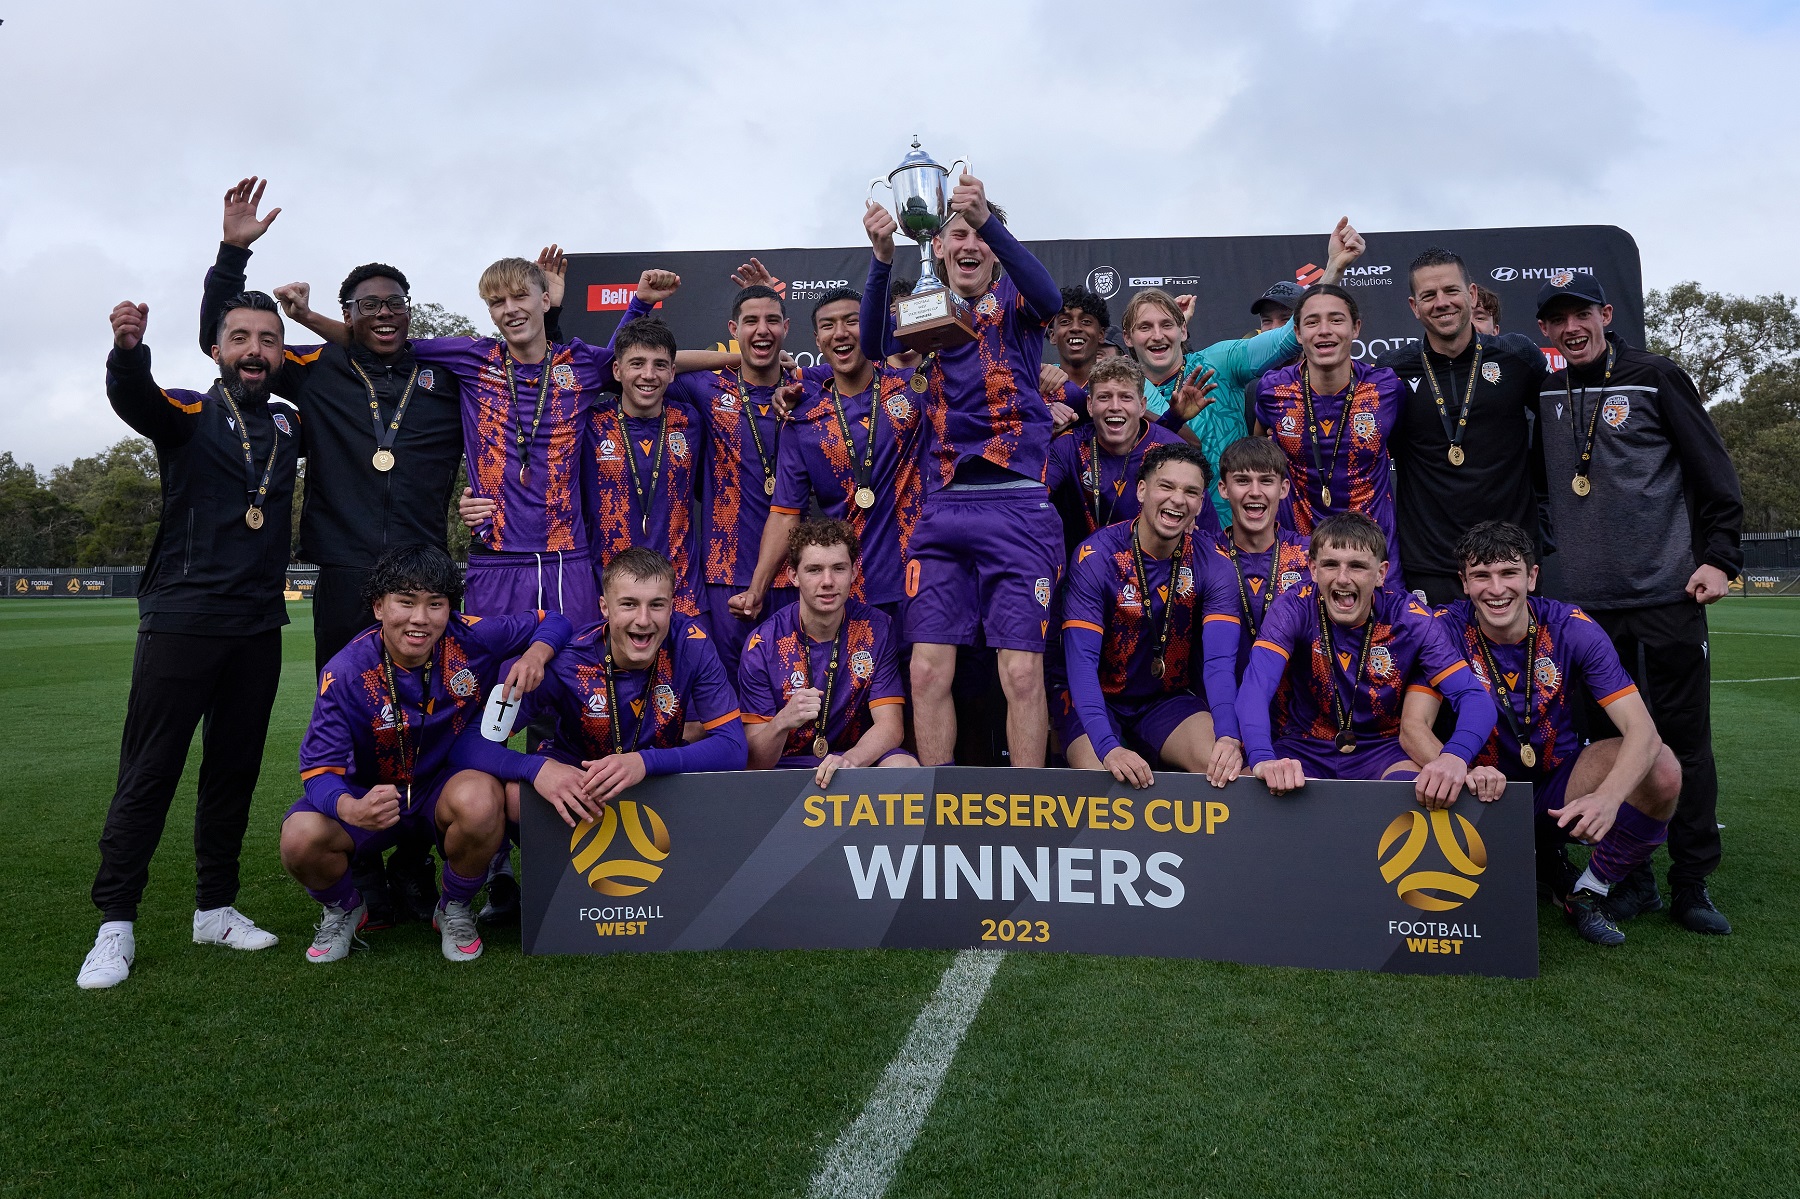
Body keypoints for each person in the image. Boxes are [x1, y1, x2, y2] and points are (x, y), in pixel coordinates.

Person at [204, 178, 482, 928]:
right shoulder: (314, 369)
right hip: (347, 576)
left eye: (396, 302)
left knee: (436, 715)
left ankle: (419, 861)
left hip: (427, 577)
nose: (385, 313)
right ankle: (361, 864)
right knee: (356, 717)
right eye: (368, 305)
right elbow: (229, 337)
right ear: (348, 315)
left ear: (410, 309)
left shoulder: (445, 376)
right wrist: (233, 255)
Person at [79, 291, 300, 990]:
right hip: (181, 621)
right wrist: (126, 351)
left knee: (232, 772)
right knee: (150, 771)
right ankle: (115, 923)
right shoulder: (188, 409)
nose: (255, 350)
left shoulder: (291, 426)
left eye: (268, 338)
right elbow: (134, 398)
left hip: (260, 625)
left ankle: (215, 906)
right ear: (216, 348)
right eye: (241, 337)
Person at [1534, 271, 1743, 934]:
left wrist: (1720, 556)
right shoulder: (1545, 387)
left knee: (1684, 742)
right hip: (1589, 607)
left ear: (1604, 313)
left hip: (1666, 593)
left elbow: (1714, 471)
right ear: (1545, 330)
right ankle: (1631, 876)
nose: (1572, 328)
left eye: (1580, 315)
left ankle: (1692, 881)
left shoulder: (1656, 375)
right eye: (1557, 319)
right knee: (1610, 744)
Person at [278, 256, 639, 626]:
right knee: (494, 678)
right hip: (493, 557)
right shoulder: (471, 356)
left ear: (545, 301)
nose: (509, 309)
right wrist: (307, 317)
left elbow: (634, 363)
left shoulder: (579, 362)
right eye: (497, 302)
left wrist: (642, 306)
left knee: (571, 670)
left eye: (520, 297)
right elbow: (381, 341)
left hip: (566, 556)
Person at [859, 172, 1065, 768]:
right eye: (957, 234)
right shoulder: (930, 305)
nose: (968, 244)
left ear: (993, 250)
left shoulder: (1016, 303)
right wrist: (880, 259)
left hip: (1017, 503)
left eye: (978, 234)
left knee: (1022, 673)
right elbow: (874, 344)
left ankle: (1030, 814)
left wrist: (991, 223)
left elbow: (1052, 300)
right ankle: (936, 804)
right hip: (944, 504)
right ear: (939, 248)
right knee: (924, 670)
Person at [280, 546, 571, 963]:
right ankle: (344, 908)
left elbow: (552, 621)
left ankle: (453, 907)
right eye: (406, 602)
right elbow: (317, 770)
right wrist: (350, 806)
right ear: (379, 606)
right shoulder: (345, 672)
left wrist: (534, 653)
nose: (420, 618)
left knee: (482, 799)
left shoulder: (471, 636)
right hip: (373, 799)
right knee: (299, 838)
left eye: (435, 604)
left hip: (442, 792)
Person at [1401, 521, 1681, 946]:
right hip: (1482, 793)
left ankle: (1590, 890)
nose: (1496, 589)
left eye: (1509, 573)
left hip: (1558, 787)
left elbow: (1643, 731)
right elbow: (1413, 727)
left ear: (1531, 576)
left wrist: (1607, 799)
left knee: (1662, 769)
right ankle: (1529, 865)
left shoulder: (1573, 626)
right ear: (1464, 583)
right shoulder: (1444, 628)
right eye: (1481, 576)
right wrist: (1458, 768)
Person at [460, 548, 748, 829]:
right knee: (514, 796)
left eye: (657, 605)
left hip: (656, 771)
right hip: (581, 779)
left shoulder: (691, 644)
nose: (644, 620)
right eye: (629, 604)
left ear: (672, 606)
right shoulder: (567, 662)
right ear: (604, 607)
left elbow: (733, 747)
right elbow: (473, 741)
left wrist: (644, 763)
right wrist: (537, 770)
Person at [1239, 513, 1496, 802]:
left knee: (1426, 793)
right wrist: (1262, 757)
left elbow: (1474, 697)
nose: (1343, 578)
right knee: (1250, 789)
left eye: (1358, 566)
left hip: (1382, 752)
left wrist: (1455, 756)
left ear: (1381, 573)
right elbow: (1255, 689)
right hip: (1304, 748)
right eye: (1330, 564)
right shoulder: (1293, 607)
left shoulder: (1410, 618)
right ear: (1312, 568)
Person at [1126, 219, 1365, 526]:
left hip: (1235, 537)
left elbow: (1290, 337)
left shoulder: (1221, 360)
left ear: (1183, 330)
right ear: (1129, 338)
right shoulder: (1125, 392)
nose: (1157, 335)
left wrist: (1333, 269)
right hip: (1161, 534)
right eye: (1145, 327)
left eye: (1167, 325)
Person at [1375, 248, 1549, 604]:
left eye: (1451, 291)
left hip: (1510, 558)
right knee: (1441, 661)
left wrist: (1544, 522)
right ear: (1414, 306)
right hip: (1430, 561)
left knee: (1516, 660)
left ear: (1470, 294)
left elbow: (1561, 430)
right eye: (1428, 295)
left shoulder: (1518, 357)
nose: (1442, 303)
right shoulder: (1391, 370)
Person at [744, 288, 925, 624]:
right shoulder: (802, 418)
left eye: (852, 322)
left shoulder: (914, 391)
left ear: (872, 327)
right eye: (828, 326)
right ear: (817, 340)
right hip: (849, 592)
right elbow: (785, 513)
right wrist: (757, 588)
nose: (840, 333)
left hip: (926, 583)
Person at [657, 284, 799, 676]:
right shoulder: (709, 387)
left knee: (790, 685)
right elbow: (665, 361)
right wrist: (738, 355)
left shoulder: (808, 388)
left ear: (787, 327)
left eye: (772, 321)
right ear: (732, 328)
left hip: (793, 572)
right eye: (750, 322)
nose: (762, 330)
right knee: (729, 689)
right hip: (725, 572)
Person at [1057, 444, 1217, 786]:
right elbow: (1081, 663)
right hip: (1096, 696)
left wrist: (1231, 738)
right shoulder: (1096, 555)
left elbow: (1220, 661)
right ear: (1141, 490)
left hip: (1165, 699)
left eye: (1191, 492)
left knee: (1220, 764)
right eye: (1167, 486)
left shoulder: (1211, 559)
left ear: (1201, 504)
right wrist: (1108, 748)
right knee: (1100, 775)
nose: (1178, 499)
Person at [1252, 284, 1409, 590]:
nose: (1324, 331)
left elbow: (1404, 448)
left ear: (1356, 328)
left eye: (1336, 320)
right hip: (1299, 556)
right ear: (1297, 333)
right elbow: (1258, 460)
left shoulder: (1386, 388)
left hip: (1374, 555)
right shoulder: (1273, 389)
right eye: (1312, 322)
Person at [740, 520, 916, 784]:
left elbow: (891, 727)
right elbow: (755, 762)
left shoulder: (876, 628)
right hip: (786, 767)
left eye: (838, 568)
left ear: (854, 571)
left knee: (904, 766)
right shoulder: (762, 644)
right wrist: (783, 721)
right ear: (793, 576)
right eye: (814, 570)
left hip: (851, 758)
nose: (827, 581)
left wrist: (851, 760)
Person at [1197, 436, 1312, 787]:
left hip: (1297, 720)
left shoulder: (1312, 557)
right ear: (1223, 489)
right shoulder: (1199, 552)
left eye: (1266, 481)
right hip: (1216, 713)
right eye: (1242, 481)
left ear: (1284, 489)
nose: (1255, 492)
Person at [1044, 355, 1198, 546]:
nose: (1115, 407)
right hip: (1084, 568)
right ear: (1090, 406)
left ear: (1142, 406)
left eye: (1125, 397)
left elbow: (1206, 537)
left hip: (1151, 569)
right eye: (1104, 397)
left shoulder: (1173, 453)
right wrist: (1041, 430)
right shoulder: (1068, 446)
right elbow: (1031, 498)